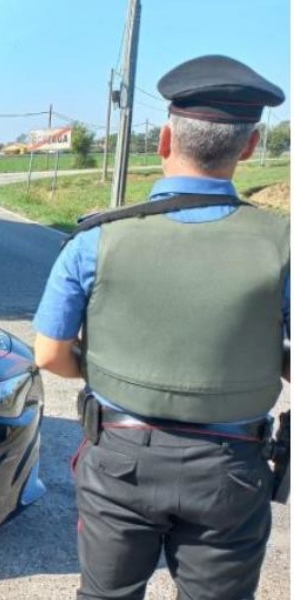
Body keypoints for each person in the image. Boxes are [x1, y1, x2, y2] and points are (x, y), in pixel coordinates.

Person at [32, 55, 289, 600]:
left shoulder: (95, 241)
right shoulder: (282, 246)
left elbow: (50, 354)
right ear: (248, 145)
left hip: (121, 458)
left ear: (165, 138)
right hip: (232, 468)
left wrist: (105, 369)